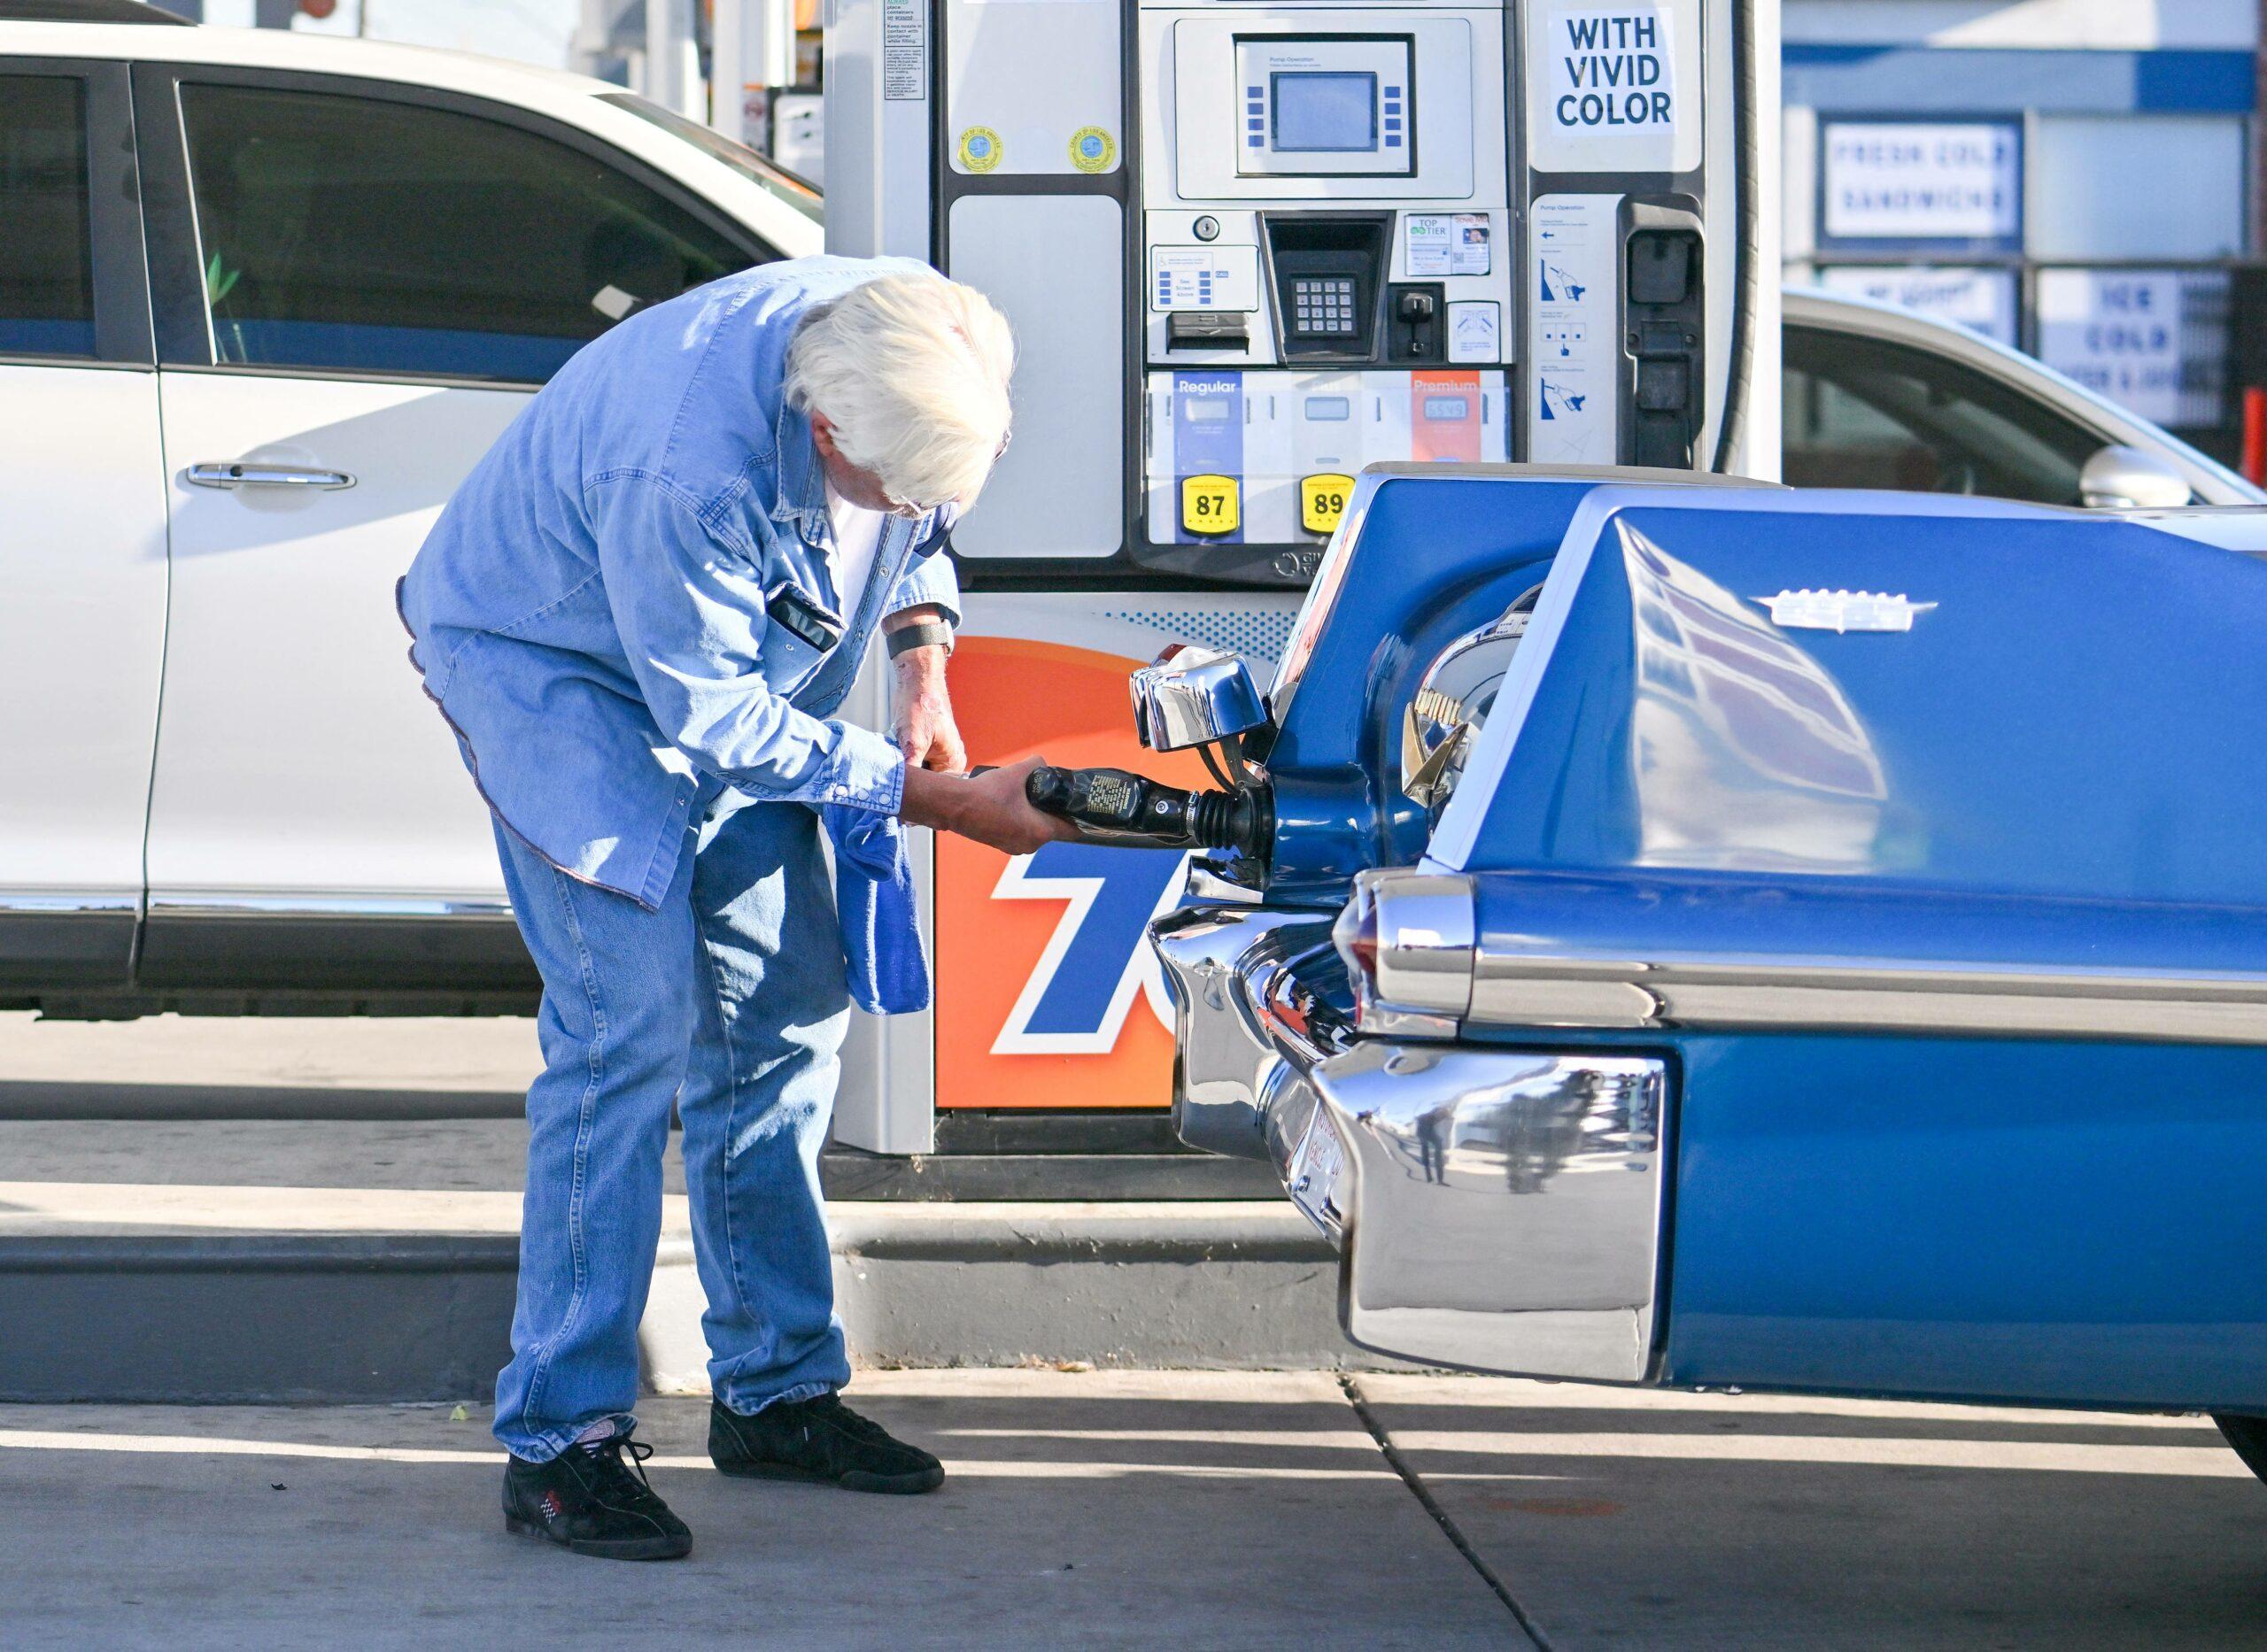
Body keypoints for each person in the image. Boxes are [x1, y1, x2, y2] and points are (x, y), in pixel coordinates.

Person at [398, 256, 1074, 1562]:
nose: (917, 504)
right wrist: (942, 802)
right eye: (892, 479)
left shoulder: (907, 333)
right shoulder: (683, 467)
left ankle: (773, 1390)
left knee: (782, 1021)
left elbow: (913, 528)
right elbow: (708, 720)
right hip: (557, 666)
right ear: (826, 432)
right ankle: (558, 1442)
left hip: (721, 668)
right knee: (625, 1033)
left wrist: (923, 669)